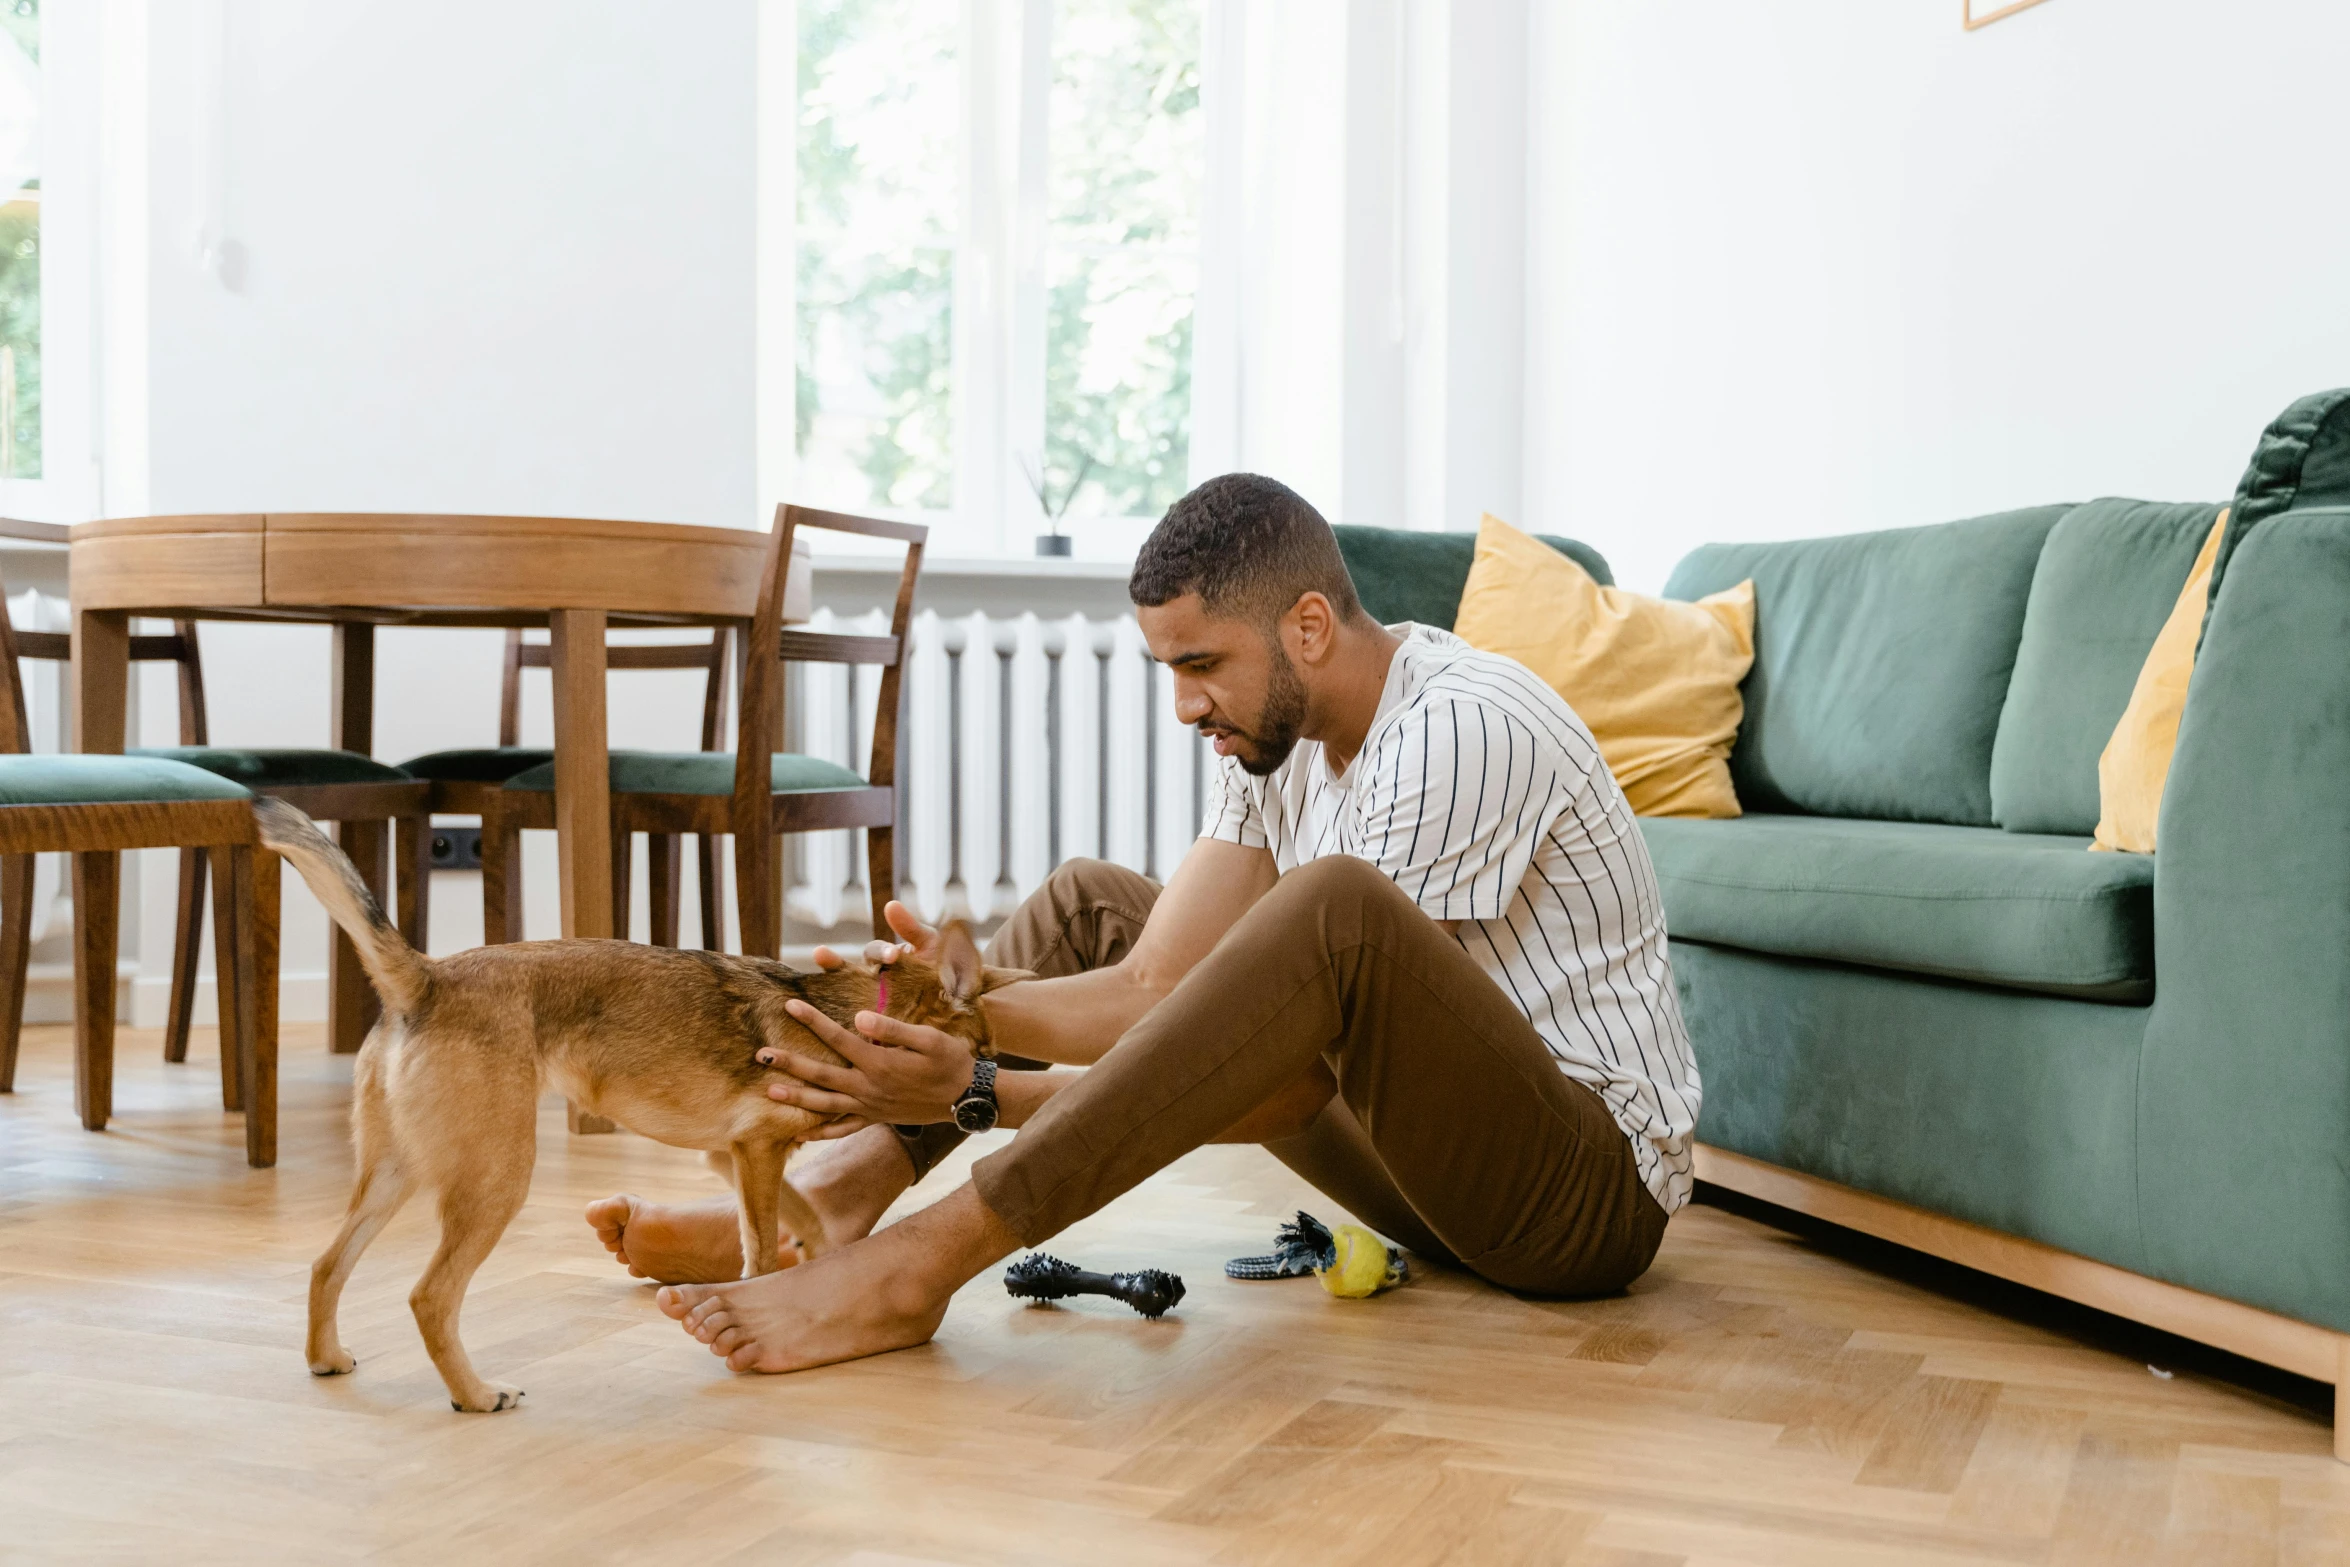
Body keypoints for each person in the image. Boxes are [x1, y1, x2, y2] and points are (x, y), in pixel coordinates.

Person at [587, 473, 1701, 1372]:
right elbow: (1151, 987)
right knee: (1089, 903)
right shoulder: (1277, 739)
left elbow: (1286, 1079)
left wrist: (976, 1092)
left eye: (1202, 665)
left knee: (1331, 910)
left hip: (1575, 1200)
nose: (1183, 705)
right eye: (1170, 668)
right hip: (1418, 1161)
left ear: (1308, 625)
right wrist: (935, 1014)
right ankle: (839, 1194)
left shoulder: (1461, 730)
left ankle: (921, 1263)